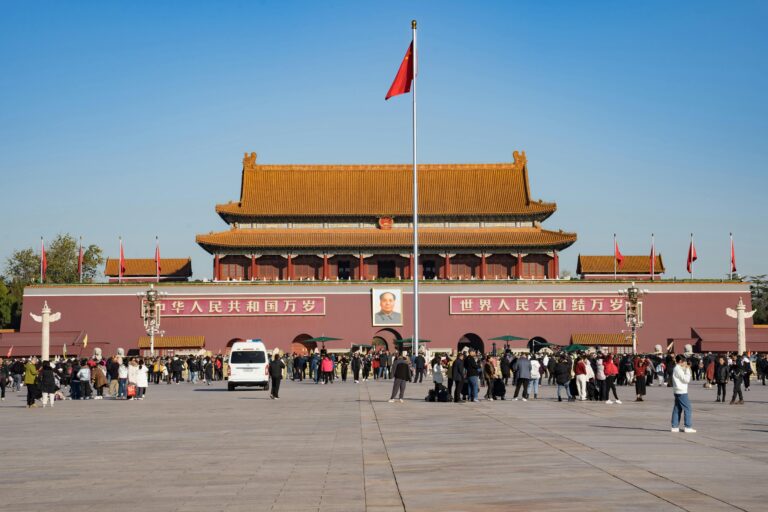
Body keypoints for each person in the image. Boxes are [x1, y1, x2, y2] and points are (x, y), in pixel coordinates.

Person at [671, 354, 695, 433]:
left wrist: (685, 368)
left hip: (678, 391)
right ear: (680, 361)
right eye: (684, 362)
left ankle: (674, 426)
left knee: (677, 408)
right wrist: (688, 370)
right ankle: (688, 426)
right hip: (681, 391)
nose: (685, 363)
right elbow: (686, 380)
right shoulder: (678, 369)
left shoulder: (677, 368)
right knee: (688, 408)